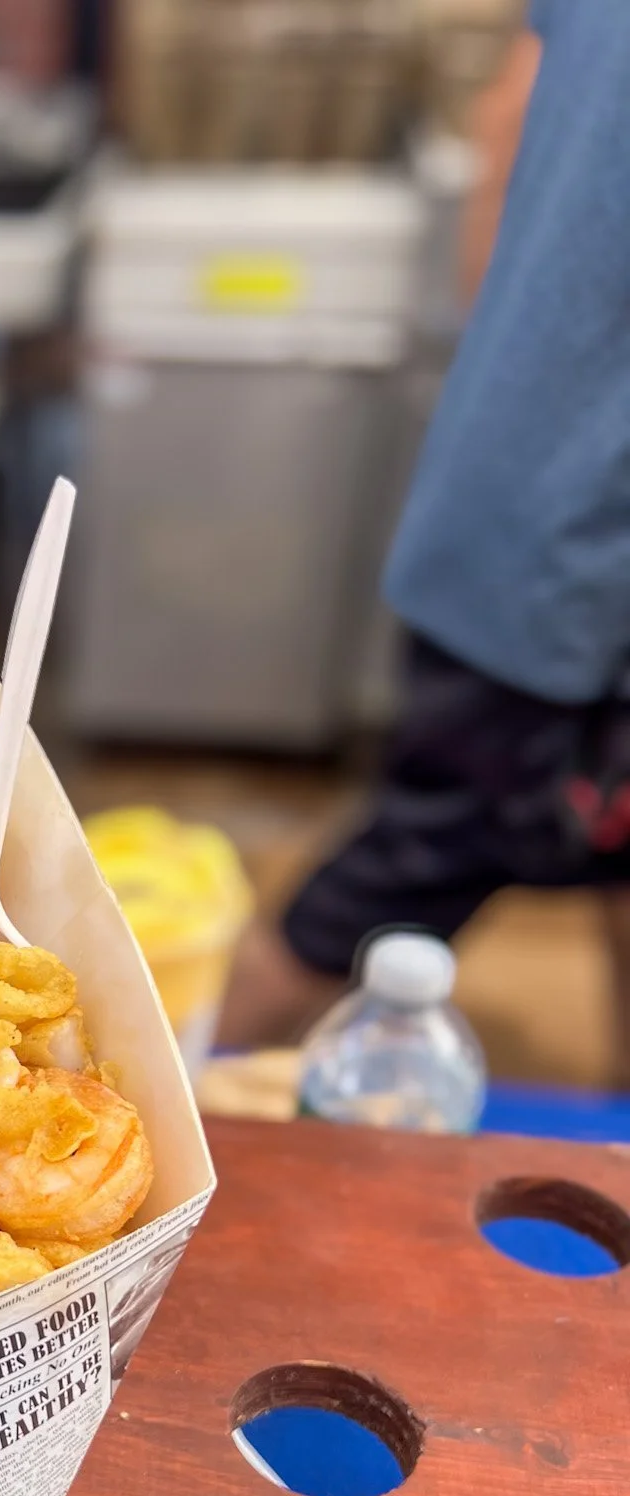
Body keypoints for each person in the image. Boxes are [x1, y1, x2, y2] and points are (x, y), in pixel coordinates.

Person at [218, 4, 630, 1079]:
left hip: (517, 484)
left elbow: (505, 129)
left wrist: (528, 365)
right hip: (573, 551)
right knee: (381, 890)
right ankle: (151, 1131)